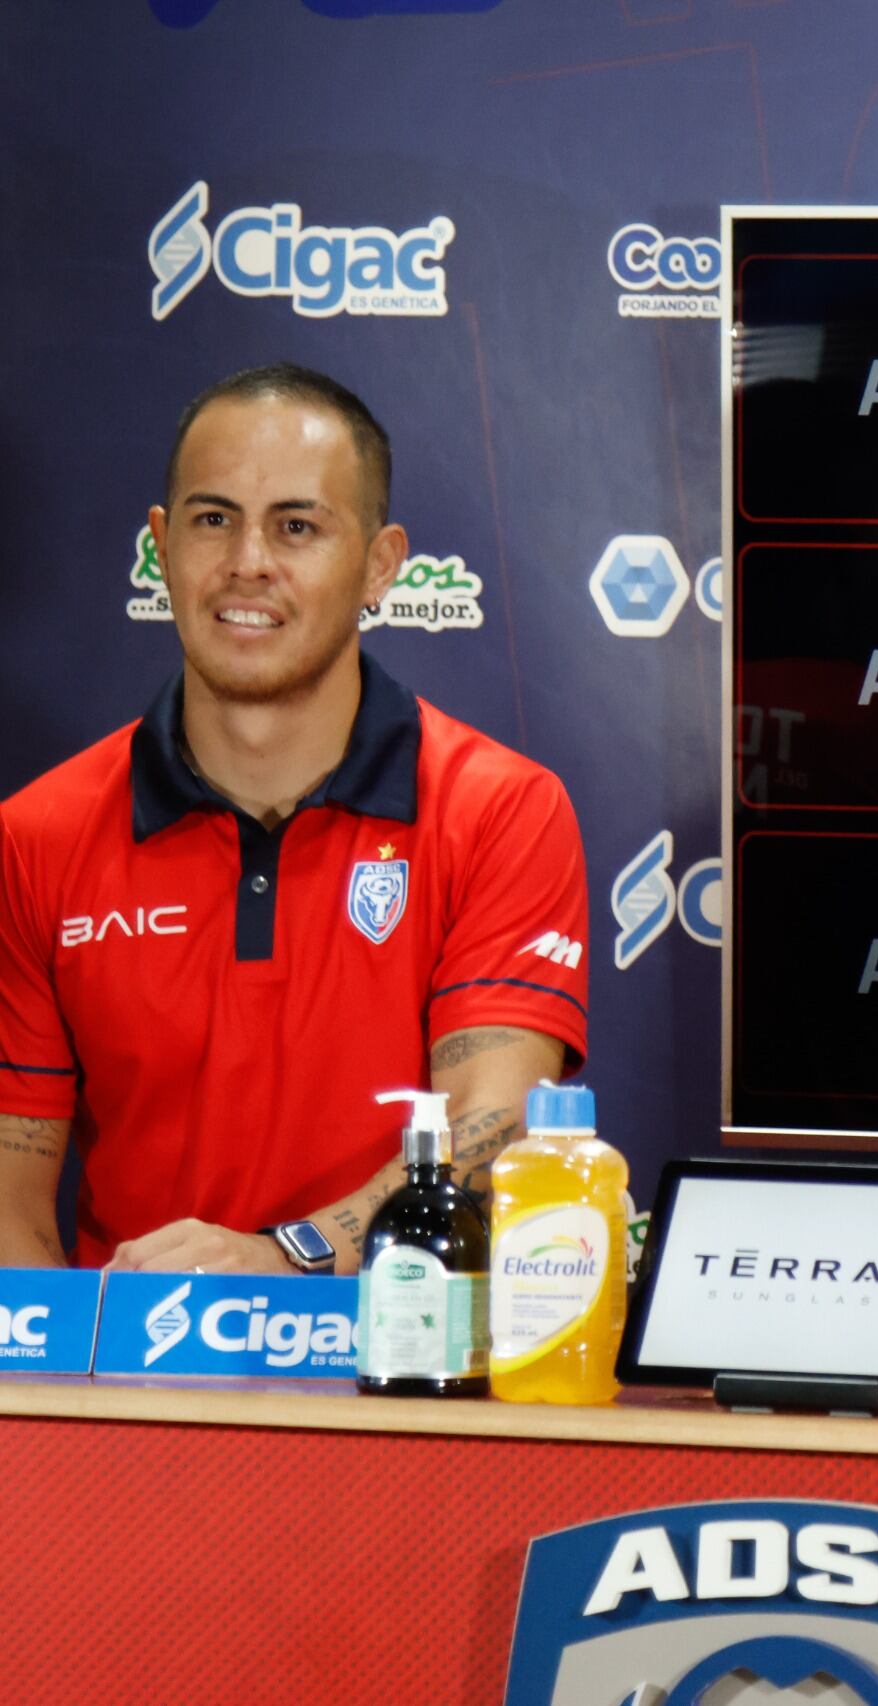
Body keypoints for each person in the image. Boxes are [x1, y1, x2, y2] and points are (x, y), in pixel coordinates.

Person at [0, 363, 589, 1274]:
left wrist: (286, 1259)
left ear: (382, 564)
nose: (248, 563)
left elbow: (495, 1123)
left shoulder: (500, 808)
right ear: (161, 546)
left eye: (298, 526)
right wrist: (63, 1387)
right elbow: (11, 1201)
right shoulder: (35, 837)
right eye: (211, 519)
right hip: (130, 1383)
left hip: (403, 1364)